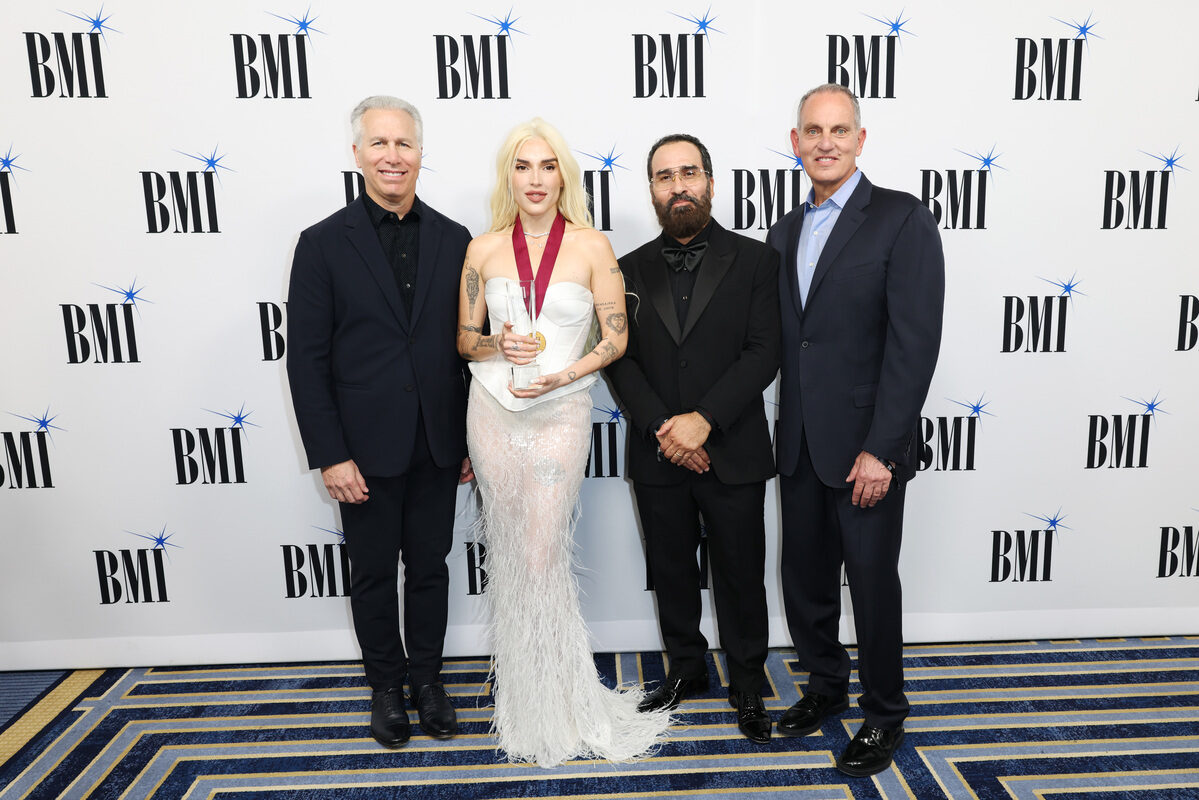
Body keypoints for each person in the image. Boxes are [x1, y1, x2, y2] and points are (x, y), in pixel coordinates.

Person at [456, 118, 672, 768]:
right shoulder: (482, 249)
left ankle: (567, 704)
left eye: (547, 166)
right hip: (492, 409)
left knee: (544, 554)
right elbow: (467, 340)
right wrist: (500, 343)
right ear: (508, 176)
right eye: (523, 166)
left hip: (561, 410)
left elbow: (615, 339)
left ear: (562, 176)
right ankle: (524, 710)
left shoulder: (591, 246)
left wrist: (565, 371)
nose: (535, 179)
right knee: (511, 555)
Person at [765, 83, 945, 776]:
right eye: (812, 130)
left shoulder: (900, 218)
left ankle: (882, 714)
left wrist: (883, 448)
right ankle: (823, 688)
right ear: (795, 142)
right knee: (805, 581)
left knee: (870, 582)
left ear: (861, 140)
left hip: (868, 448)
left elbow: (913, 344)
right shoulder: (782, 232)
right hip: (800, 445)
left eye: (839, 130)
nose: (825, 142)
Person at [286, 95, 472, 749]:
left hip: (438, 443)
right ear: (358, 153)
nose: (392, 156)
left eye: (404, 144)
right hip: (361, 449)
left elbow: (469, 347)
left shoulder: (456, 240)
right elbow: (305, 361)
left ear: (421, 154)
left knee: (430, 568)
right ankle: (386, 690)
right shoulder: (320, 244)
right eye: (380, 144)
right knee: (371, 574)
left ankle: (428, 683)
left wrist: (470, 440)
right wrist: (330, 454)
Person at [605, 133, 781, 744]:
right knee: (672, 569)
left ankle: (748, 682)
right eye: (663, 176)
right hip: (659, 450)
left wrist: (704, 419)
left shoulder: (758, 261)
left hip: (732, 447)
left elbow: (765, 352)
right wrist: (665, 427)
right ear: (651, 189)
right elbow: (618, 359)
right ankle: (686, 670)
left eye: (688, 172)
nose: (678, 185)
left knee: (740, 572)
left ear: (710, 179)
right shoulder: (624, 269)